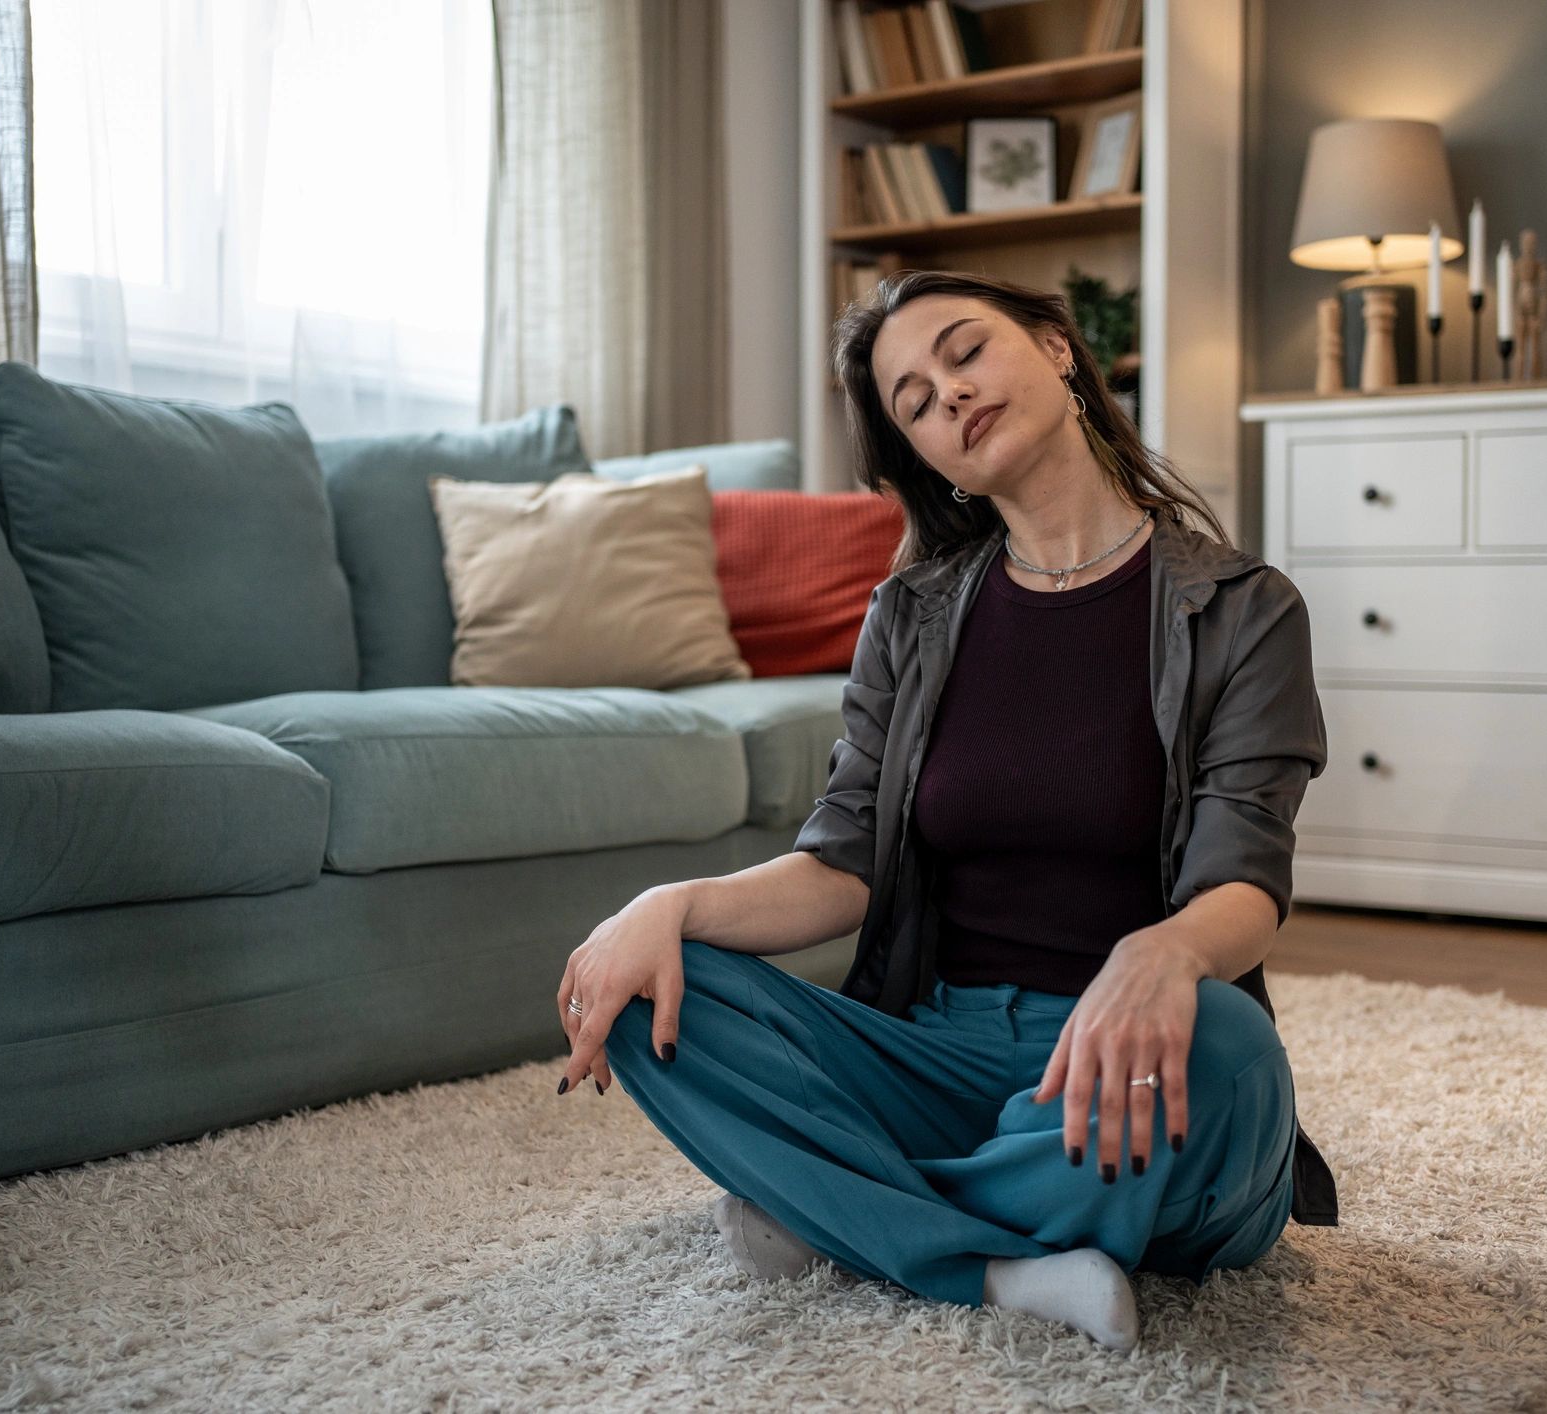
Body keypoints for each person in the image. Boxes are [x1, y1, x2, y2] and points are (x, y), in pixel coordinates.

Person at [552, 270, 1335, 1354]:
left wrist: (1166, 954)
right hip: (944, 1052)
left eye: (965, 353)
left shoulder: (1240, 609)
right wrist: (668, 904)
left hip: (1136, 1059)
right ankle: (1007, 1264)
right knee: (648, 992)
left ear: (1059, 351)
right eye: (914, 402)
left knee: (1227, 1042)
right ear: (923, 455)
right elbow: (841, 864)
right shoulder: (911, 616)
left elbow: (1244, 878)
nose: (949, 395)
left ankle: (851, 1210)